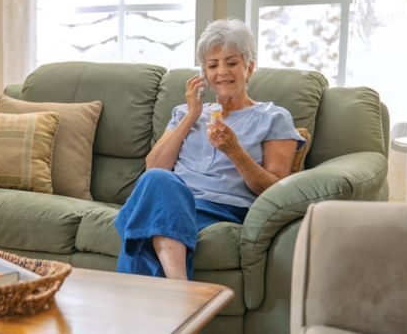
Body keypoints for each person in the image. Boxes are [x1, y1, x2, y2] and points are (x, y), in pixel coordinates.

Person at [114, 18, 306, 280]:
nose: (221, 72)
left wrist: (235, 151)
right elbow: (154, 167)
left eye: (232, 62)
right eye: (212, 65)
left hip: (223, 209)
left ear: (249, 68)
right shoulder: (185, 113)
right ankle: (179, 289)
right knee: (157, 181)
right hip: (172, 201)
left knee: (141, 224)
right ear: (203, 73)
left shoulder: (273, 117)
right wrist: (192, 114)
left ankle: (155, 300)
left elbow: (275, 191)